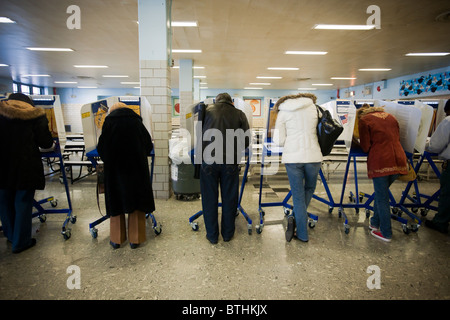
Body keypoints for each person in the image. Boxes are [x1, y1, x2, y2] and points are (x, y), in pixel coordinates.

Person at [0, 93, 54, 253]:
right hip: (25, 165)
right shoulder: (35, 115)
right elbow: (46, 142)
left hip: (1, 166)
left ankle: (10, 235)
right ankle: (21, 242)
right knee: (23, 202)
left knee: (4, 201)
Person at [97, 102, 155, 249]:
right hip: (136, 170)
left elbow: (102, 149)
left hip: (116, 172)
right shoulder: (136, 122)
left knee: (116, 204)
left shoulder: (109, 123)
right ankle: (135, 240)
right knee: (136, 203)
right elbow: (148, 145)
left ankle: (117, 239)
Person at [198, 93, 250, 244]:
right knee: (229, 198)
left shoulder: (206, 111)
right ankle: (227, 234)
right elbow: (246, 140)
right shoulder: (239, 114)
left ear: (216, 101)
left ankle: (212, 236)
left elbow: (198, 136)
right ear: (231, 102)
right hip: (230, 162)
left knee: (209, 199)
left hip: (208, 161)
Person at [272, 93, 323, 242]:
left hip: (293, 158)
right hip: (314, 156)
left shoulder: (283, 112)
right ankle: (295, 217)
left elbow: (279, 141)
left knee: (298, 196)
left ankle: (301, 233)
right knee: (309, 188)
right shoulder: (315, 109)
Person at [358, 105, 408, 242]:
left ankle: (386, 233)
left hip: (381, 161)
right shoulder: (391, 117)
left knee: (382, 198)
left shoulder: (364, 120)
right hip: (399, 159)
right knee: (382, 193)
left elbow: (366, 146)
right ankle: (374, 222)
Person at [424, 99, 450, 234]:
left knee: (447, 195)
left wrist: (426, 146)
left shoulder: (448, 121)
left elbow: (436, 145)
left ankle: (440, 222)